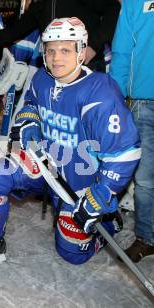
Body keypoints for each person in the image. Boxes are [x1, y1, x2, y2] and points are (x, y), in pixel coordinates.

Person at [7, 17, 140, 264]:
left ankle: (108, 224)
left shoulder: (101, 91)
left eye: (66, 50)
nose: (57, 58)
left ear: (81, 52)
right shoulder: (41, 79)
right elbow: (32, 104)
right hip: (47, 166)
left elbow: (125, 153)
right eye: (51, 51)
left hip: (82, 183)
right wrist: (29, 119)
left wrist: (102, 192)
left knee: (72, 255)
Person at [110, 0, 154, 263]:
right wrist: (116, 98)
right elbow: (122, 51)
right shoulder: (134, 3)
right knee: (146, 179)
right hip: (142, 102)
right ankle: (147, 237)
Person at [0, 0, 121, 72]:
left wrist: (93, 46)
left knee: (88, 125)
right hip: (54, 68)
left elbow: (113, 9)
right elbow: (14, 31)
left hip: (87, 67)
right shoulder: (40, 4)